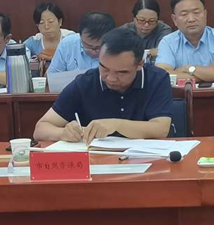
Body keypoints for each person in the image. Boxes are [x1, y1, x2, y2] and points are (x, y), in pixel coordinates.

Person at [34, 28, 173, 143]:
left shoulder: (156, 78)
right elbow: (40, 129)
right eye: (104, 68)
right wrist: (63, 133)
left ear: (139, 65)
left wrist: (115, 125)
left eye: (121, 72)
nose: (110, 78)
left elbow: (161, 129)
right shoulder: (85, 83)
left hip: (147, 160)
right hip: (96, 161)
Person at [156, 0, 214, 83]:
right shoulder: (168, 42)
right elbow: (162, 76)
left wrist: (188, 68)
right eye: (184, 14)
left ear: (205, 14)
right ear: (175, 19)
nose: (191, 19)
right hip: (181, 92)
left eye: (196, 13)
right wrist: (209, 73)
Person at [47, 12, 116, 74]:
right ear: (80, 35)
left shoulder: (118, 49)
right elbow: (52, 75)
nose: (93, 52)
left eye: (98, 48)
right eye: (88, 46)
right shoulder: (67, 44)